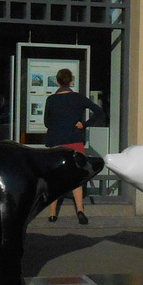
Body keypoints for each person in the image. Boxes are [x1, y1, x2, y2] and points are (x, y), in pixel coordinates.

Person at [43, 68, 104, 224]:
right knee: (77, 176)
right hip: (75, 140)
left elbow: (46, 123)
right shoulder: (78, 98)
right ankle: (80, 211)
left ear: (57, 81)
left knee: (55, 177)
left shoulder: (51, 100)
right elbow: (98, 111)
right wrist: (84, 124)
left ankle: (52, 214)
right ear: (71, 81)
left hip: (56, 142)